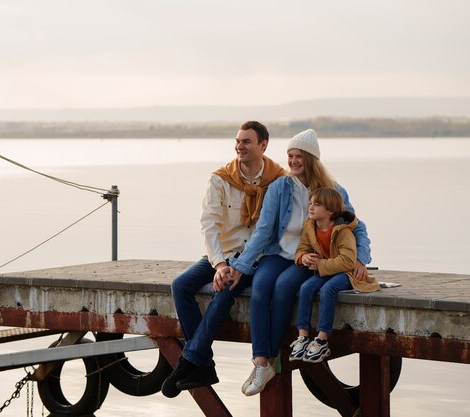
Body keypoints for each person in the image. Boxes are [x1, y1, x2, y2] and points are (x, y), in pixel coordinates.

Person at [226, 128, 372, 396]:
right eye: (290, 155)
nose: (292, 161)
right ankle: (261, 361)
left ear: (311, 158)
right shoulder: (280, 187)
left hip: (309, 259)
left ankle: (269, 358)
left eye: (298, 156)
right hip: (279, 254)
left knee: (283, 288)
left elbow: (357, 227)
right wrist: (241, 266)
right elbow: (262, 232)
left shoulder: (332, 191)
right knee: (260, 288)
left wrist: (361, 258)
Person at [161, 121, 285, 398]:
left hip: (258, 256)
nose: (239, 146)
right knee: (180, 285)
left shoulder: (279, 180)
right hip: (224, 253)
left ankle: (189, 361)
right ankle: (202, 363)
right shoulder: (220, 178)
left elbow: (272, 230)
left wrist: (240, 265)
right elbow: (209, 224)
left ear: (263, 145)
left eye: (246, 142)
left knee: (225, 292)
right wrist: (219, 264)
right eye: (238, 141)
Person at [288, 187, 379, 363]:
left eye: (317, 204)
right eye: (311, 203)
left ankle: (322, 338)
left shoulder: (342, 231)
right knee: (306, 288)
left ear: (330, 210)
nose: (311, 208)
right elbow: (302, 249)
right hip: (325, 271)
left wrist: (320, 264)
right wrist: (303, 257)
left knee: (328, 289)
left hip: (346, 273)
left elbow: (348, 261)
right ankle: (303, 336)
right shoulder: (310, 227)